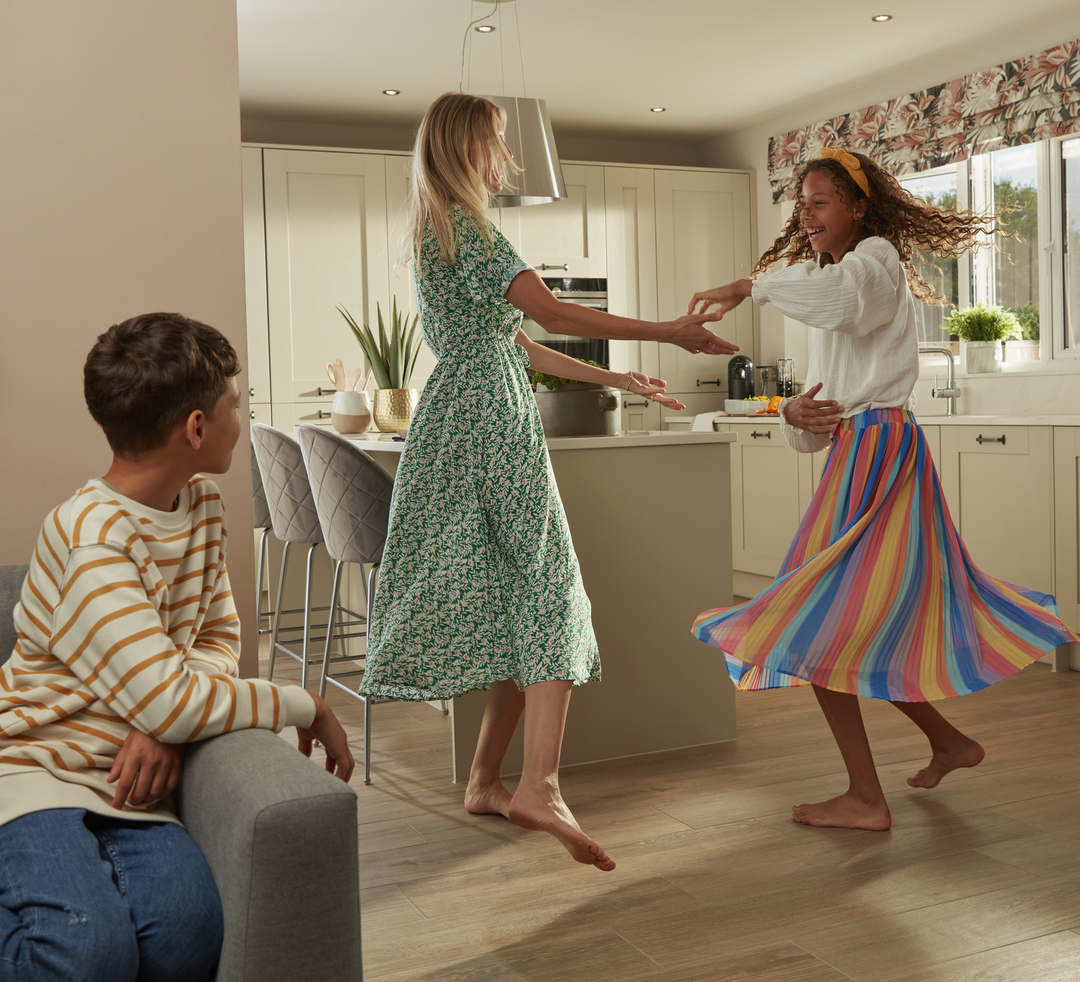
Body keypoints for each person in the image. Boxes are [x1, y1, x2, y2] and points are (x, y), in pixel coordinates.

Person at [359, 91, 736, 871]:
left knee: (513, 595)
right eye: (495, 141)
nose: (505, 157)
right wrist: (667, 331)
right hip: (489, 422)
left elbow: (516, 344)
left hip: (463, 412)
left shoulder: (437, 229)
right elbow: (555, 316)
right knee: (552, 589)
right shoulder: (471, 230)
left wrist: (617, 378)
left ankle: (486, 782)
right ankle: (542, 784)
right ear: (467, 147)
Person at [688, 148, 1076, 831]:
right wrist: (792, 414)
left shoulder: (875, 261)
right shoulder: (835, 276)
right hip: (862, 451)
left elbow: (842, 306)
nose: (806, 215)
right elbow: (821, 413)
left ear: (858, 208)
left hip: (880, 451)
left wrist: (751, 287)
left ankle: (867, 798)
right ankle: (946, 743)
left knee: (819, 623)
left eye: (820, 202)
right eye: (801, 204)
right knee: (859, 620)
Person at [0, 313, 354, 982]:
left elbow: (215, 639)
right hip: (34, 773)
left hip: (131, 779)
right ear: (196, 427)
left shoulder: (202, 505)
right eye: (235, 406)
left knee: (186, 935)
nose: (240, 419)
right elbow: (170, 700)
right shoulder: (92, 538)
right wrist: (302, 703)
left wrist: (164, 720)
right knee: (86, 951)